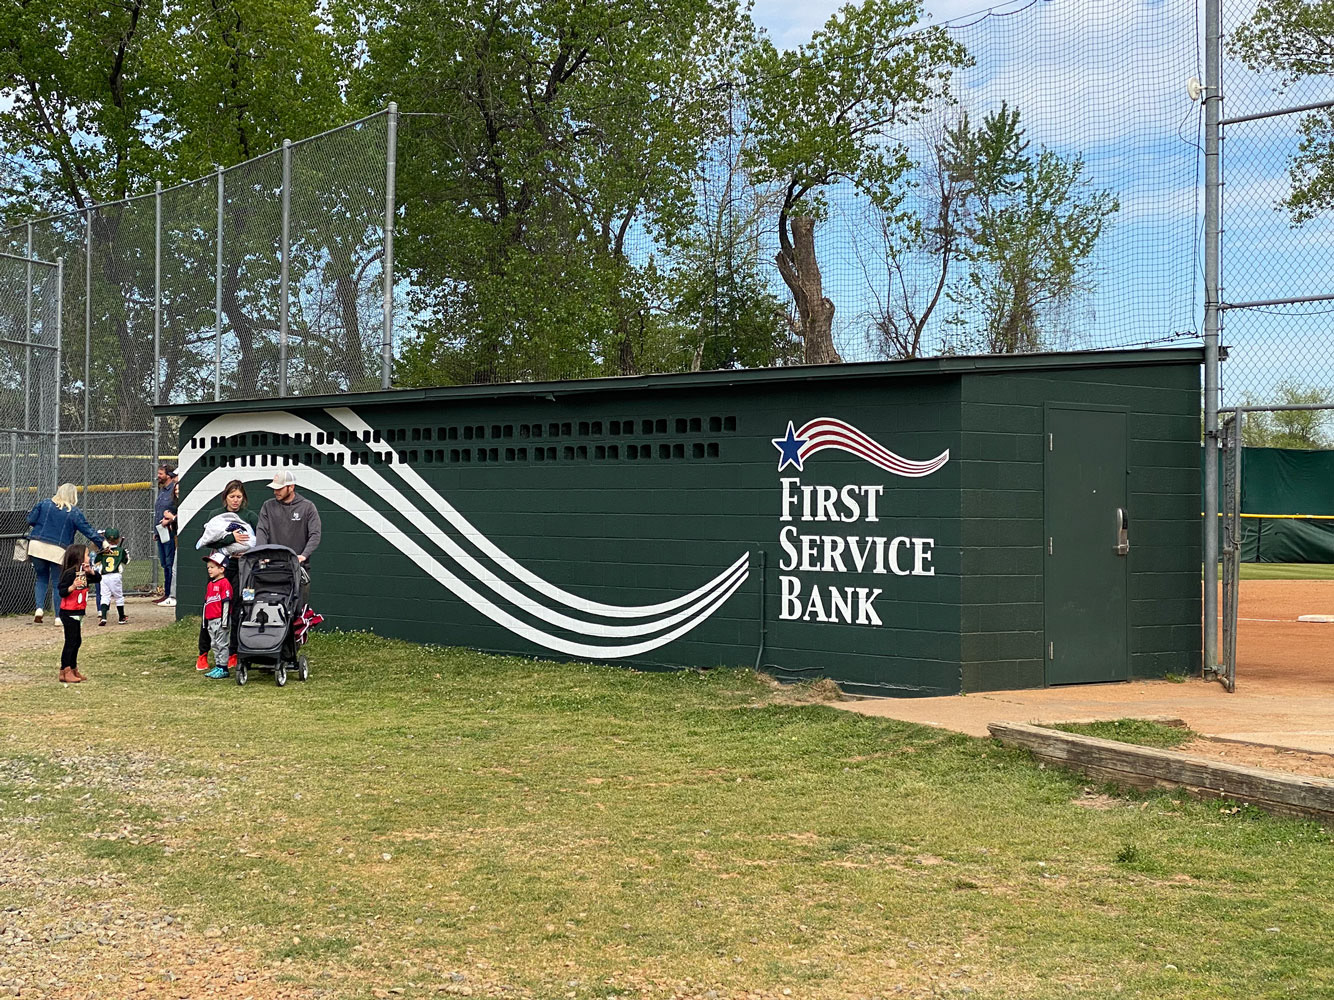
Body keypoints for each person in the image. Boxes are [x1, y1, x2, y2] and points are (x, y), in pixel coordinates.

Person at [26, 483, 105, 626]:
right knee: (58, 582)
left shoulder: (44, 503)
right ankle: (58, 617)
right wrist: (103, 544)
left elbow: (30, 520)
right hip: (58, 549)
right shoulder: (73, 512)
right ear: (73, 495)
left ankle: (39, 609)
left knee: (41, 578)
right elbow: (88, 531)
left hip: (36, 546)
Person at [197, 480, 255, 669]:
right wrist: (232, 538)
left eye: (239, 497)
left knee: (238, 607)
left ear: (243, 498)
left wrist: (245, 549)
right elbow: (209, 541)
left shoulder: (250, 516)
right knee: (212, 608)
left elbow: (259, 539)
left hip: (242, 566)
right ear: (225, 497)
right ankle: (203, 653)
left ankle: (233, 652)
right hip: (221, 566)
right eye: (232, 496)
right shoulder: (215, 515)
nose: (235, 500)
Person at [57, 543, 100, 684]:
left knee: (77, 641)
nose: (89, 557)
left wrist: (91, 572)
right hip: (68, 612)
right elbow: (62, 591)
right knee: (71, 641)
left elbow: (97, 579)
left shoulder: (83, 573)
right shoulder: (70, 573)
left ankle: (74, 668)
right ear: (78, 557)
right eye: (87, 555)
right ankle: (65, 669)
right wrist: (72, 586)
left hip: (79, 611)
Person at [197, 551, 233, 679]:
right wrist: (205, 622)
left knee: (222, 643)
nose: (209, 570)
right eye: (208, 567)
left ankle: (223, 667)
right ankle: (218, 666)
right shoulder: (210, 585)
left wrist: (224, 621)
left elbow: (226, 603)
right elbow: (207, 604)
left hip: (220, 620)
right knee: (214, 644)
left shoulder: (224, 583)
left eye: (212, 567)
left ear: (222, 569)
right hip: (210, 620)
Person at [154, 464, 178, 607]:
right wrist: (156, 532)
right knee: (164, 563)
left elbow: (176, 509)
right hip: (161, 532)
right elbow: (158, 512)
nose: (159, 476)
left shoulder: (174, 490)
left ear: (168, 475)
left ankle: (169, 593)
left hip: (170, 531)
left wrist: (171, 519)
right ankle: (166, 592)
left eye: (161, 473)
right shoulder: (162, 490)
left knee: (170, 563)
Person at [95, 527, 130, 626]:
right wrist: (126, 554)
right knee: (119, 597)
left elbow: (96, 561)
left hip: (104, 577)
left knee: (105, 596)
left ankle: (104, 617)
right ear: (118, 539)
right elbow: (126, 561)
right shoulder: (120, 550)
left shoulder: (103, 550)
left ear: (106, 540)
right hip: (115, 576)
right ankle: (121, 617)